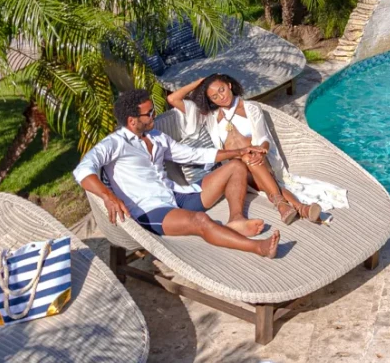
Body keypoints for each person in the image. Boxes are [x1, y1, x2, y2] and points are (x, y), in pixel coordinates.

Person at [74, 88, 280, 257]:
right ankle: (257, 248)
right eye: (150, 113)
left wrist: (238, 152)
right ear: (132, 121)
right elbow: (83, 170)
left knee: (236, 166)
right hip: (151, 210)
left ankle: (236, 219)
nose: (154, 114)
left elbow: (191, 155)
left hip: (176, 194)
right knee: (201, 221)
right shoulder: (114, 144)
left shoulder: (155, 136)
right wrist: (108, 197)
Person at [167, 74, 346, 224]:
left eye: (221, 90)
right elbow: (172, 99)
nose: (221, 97)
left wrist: (262, 151)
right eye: (214, 96)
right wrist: (200, 82)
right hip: (236, 170)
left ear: (229, 85)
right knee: (246, 160)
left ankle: (283, 206)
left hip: (260, 159)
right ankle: (301, 208)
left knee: (250, 157)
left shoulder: (250, 108)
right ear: (210, 100)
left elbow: (263, 136)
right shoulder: (211, 117)